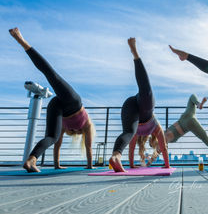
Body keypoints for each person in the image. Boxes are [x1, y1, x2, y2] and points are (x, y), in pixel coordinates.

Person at [9, 28, 95, 173]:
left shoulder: (67, 127)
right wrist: (90, 166)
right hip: (73, 102)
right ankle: (22, 41)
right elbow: (89, 148)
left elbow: (56, 143)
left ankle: (31, 160)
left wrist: (57, 165)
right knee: (52, 75)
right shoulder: (88, 125)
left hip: (58, 105)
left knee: (51, 137)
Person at [109, 38, 169, 172]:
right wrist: (167, 166)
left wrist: (131, 165)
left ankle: (115, 156)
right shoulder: (156, 128)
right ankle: (135, 53)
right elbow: (163, 147)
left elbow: (131, 148)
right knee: (146, 93)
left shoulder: (136, 131)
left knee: (128, 132)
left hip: (129, 106)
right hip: (144, 109)